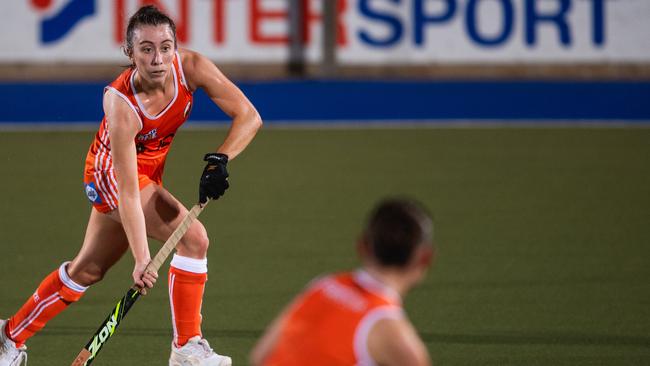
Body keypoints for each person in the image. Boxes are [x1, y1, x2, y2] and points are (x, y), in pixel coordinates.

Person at [0, 5, 261, 366]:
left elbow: (249, 116)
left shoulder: (193, 69)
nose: (159, 58)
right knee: (194, 238)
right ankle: (187, 347)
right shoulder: (120, 103)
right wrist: (141, 259)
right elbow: (127, 192)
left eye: (166, 47)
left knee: (88, 269)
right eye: (147, 49)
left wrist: (221, 159)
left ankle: (9, 336)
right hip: (112, 174)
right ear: (130, 52)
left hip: (148, 173)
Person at [250, 198, 435, 366]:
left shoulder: (324, 286)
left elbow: (261, 355)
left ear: (362, 246)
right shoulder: (392, 332)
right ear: (425, 258)